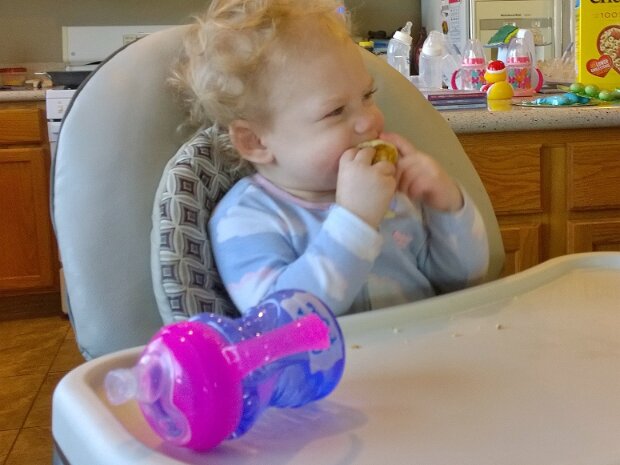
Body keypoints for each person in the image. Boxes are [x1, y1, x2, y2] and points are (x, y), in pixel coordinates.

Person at [173, 0, 490, 316]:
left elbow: (464, 281)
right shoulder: (246, 221)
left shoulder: (394, 192)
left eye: (367, 96)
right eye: (335, 111)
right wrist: (356, 220)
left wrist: (447, 206)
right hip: (344, 352)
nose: (370, 120)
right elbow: (280, 323)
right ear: (254, 141)